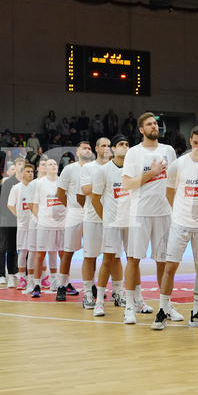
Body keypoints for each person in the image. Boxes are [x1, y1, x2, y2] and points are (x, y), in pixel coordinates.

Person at [152, 126, 198, 330]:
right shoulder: (178, 165)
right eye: (195, 143)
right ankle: (162, 310)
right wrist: (179, 213)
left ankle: (196, 312)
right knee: (170, 267)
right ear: (190, 141)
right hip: (180, 223)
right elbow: (169, 193)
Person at [121, 112, 177, 324]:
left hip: (164, 212)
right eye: (149, 124)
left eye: (156, 123)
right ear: (141, 130)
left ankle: (165, 306)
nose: (154, 126)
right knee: (134, 259)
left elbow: (174, 180)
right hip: (140, 212)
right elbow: (127, 184)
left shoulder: (169, 150)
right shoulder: (134, 153)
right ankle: (129, 306)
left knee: (163, 261)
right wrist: (152, 172)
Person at [90, 135, 130, 316]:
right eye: (121, 144)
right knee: (107, 260)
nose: (124, 147)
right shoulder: (103, 171)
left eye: (127, 144)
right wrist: (105, 218)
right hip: (112, 223)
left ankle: (128, 297)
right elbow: (95, 198)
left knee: (132, 261)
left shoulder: (133, 170)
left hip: (131, 223)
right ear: (113, 149)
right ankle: (99, 301)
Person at [55, 141, 95, 301]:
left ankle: (91, 285)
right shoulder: (69, 169)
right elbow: (60, 193)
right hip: (74, 215)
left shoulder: (96, 168)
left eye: (90, 148)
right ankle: (61, 285)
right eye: (84, 148)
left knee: (91, 253)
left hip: (92, 215)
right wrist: (71, 208)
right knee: (68, 252)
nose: (87, 150)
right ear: (77, 152)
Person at [78, 137, 114, 309]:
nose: (106, 149)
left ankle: (118, 292)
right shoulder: (88, 168)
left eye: (109, 146)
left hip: (113, 218)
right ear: (96, 148)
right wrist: (104, 183)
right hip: (93, 217)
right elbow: (85, 190)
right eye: (103, 146)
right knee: (90, 256)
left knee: (115, 258)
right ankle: (87, 293)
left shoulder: (116, 167)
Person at [29, 159, 65, 297]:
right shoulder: (39, 183)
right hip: (44, 224)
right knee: (40, 254)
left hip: (62, 224)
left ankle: (61, 282)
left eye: (55, 164)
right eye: (51, 164)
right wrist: (41, 218)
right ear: (45, 168)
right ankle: (37, 284)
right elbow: (34, 204)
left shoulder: (63, 181)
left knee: (63, 254)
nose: (53, 165)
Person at [0, 157, 25, 287]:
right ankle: (2, 274)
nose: (21, 165)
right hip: (8, 220)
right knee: (5, 248)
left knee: (22, 249)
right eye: (19, 164)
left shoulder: (29, 182)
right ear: (15, 167)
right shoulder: (7, 184)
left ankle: (20, 273)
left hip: (24, 221)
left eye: (23, 163)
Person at [7, 164, 35, 289]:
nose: (30, 174)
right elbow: (10, 204)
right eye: (28, 171)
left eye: (32, 172)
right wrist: (19, 216)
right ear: (22, 174)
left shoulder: (37, 187)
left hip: (36, 225)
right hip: (23, 225)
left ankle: (36, 279)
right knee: (23, 252)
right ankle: (23, 279)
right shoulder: (17, 188)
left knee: (36, 253)